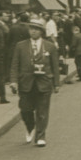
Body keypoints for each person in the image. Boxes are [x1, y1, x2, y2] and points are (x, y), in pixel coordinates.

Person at [8, 18, 60, 147]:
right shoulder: (21, 46)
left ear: (41, 31)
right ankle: (30, 127)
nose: (33, 31)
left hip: (44, 83)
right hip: (26, 82)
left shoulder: (50, 46)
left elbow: (55, 66)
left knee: (42, 111)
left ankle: (41, 136)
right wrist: (13, 81)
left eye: (36, 29)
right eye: (31, 29)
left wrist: (56, 83)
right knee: (25, 109)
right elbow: (14, 64)